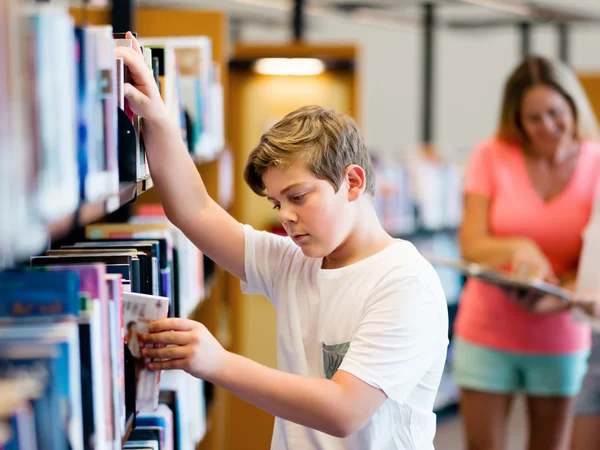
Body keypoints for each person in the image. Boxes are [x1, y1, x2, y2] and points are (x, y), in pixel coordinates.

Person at [117, 32, 449, 449]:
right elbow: (194, 211)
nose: (287, 217)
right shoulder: (298, 261)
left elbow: (344, 410)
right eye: (277, 204)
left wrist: (218, 362)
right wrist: (158, 117)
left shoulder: (405, 282)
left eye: (298, 197)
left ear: (352, 182)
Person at [452, 55, 600, 450]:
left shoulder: (597, 162)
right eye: (533, 118)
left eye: (555, 112)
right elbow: (471, 243)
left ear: (572, 106)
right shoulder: (491, 155)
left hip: (562, 334)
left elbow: (596, 259)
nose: (547, 126)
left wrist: (562, 292)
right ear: (516, 119)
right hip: (487, 331)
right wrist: (520, 246)